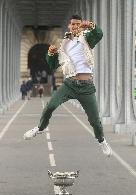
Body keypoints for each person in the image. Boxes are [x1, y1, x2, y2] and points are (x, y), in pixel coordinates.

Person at [23, 15, 112, 157]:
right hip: (69, 84)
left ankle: (102, 141)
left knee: (95, 120)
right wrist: (50, 54)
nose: (75, 26)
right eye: (73, 24)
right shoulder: (64, 44)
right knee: (50, 106)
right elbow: (52, 65)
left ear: (80, 26)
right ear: (69, 26)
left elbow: (99, 34)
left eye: (78, 24)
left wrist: (90, 25)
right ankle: (39, 128)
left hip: (86, 86)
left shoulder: (87, 38)